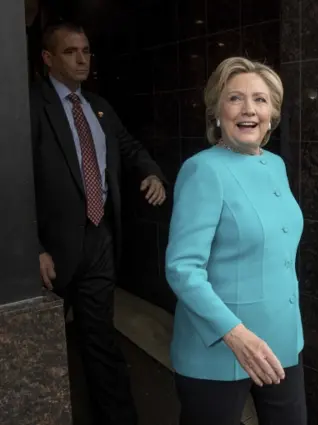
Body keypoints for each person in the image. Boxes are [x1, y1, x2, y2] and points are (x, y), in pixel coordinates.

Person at [30, 21, 167, 425]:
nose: (82, 59)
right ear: (48, 58)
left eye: (86, 51)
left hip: (99, 240)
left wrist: (152, 173)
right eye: (71, 52)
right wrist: (31, 247)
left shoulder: (99, 107)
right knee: (40, 349)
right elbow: (13, 182)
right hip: (50, 250)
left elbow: (130, 147)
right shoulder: (30, 107)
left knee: (100, 340)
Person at [165, 57, 306, 425]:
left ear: (272, 113)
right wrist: (236, 335)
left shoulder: (275, 165)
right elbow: (183, 269)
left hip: (281, 340)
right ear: (217, 112)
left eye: (260, 100)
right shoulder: (203, 169)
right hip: (219, 347)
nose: (249, 110)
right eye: (235, 99)